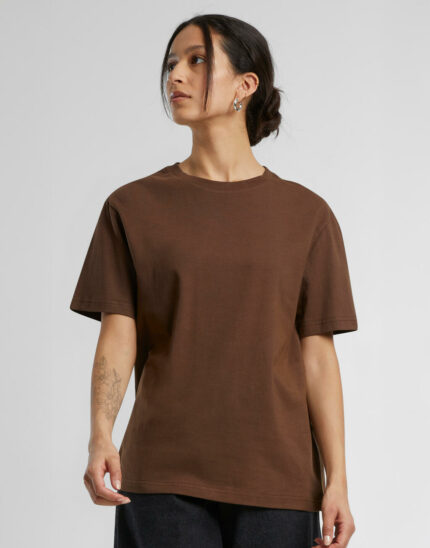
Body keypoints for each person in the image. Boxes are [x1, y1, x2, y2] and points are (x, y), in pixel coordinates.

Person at [70, 14, 358, 548]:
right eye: (171, 64)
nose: (175, 75)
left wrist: (337, 477)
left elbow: (317, 353)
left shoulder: (307, 216)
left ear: (245, 86)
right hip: (162, 474)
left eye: (197, 60)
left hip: (279, 479)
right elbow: (118, 332)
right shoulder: (132, 207)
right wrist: (100, 435)